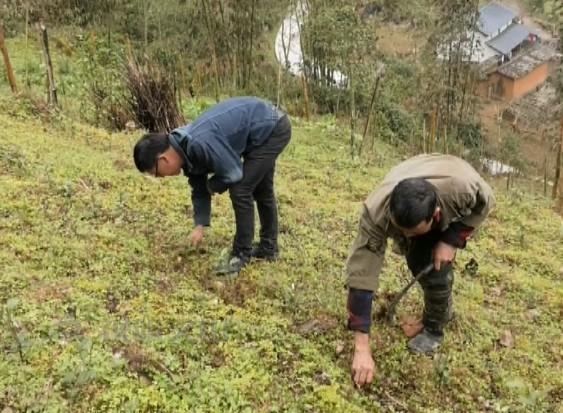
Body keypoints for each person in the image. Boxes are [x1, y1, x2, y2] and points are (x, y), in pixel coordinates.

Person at [345, 154, 495, 387]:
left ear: (435, 215)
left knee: (433, 266)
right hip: (411, 171)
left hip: (448, 174)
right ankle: (431, 309)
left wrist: (452, 239)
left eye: (412, 232)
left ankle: (435, 326)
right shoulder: (376, 212)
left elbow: (486, 203)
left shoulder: (463, 189)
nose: (405, 239)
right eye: (400, 231)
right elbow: (362, 275)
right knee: (416, 258)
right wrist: (361, 347)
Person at [133, 97, 291, 275]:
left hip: (272, 128)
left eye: (156, 172)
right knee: (262, 189)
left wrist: (211, 185)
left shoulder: (198, 142)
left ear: (163, 159)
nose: (160, 177)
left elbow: (233, 173)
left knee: (241, 189)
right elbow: (198, 188)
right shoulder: (183, 147)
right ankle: (268, 249)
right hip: (262, 129)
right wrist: (200, 225)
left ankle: (241, 254)